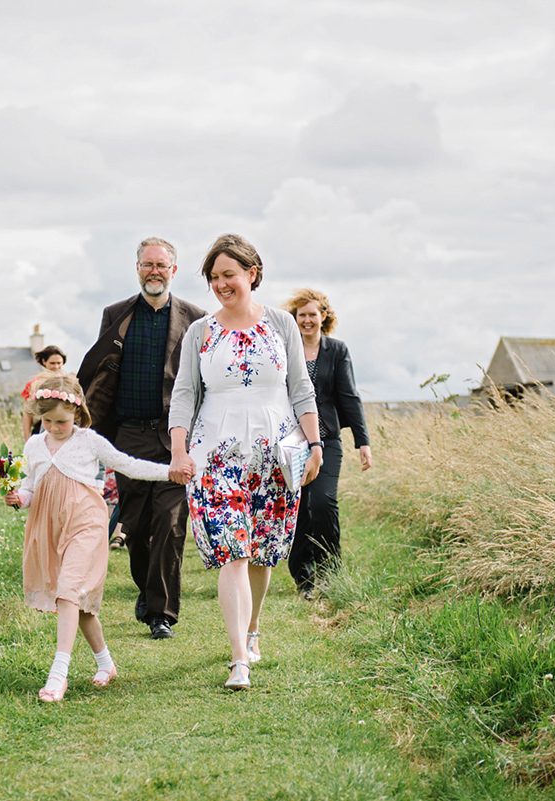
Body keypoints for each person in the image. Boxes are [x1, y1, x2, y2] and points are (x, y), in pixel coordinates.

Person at [168, 234, 321, 690]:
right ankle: (239, 659)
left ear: (252, 273)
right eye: (213, 278)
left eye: (228, 275)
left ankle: (253, 628)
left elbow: (301, 389)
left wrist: (315, 445)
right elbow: (183, 395)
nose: (220, 284)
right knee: (232, 551)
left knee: (262, 553)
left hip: (276, 452)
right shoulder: (200, 331)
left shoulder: (282, 324)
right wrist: (178, 451)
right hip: (215, 453)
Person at [4, 373, 176, 701]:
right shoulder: (34, 444)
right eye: (49, 421)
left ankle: (58, 674)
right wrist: (18, 498)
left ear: (78, 413)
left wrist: (169, 472)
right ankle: (105, 663)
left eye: (63, 422)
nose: (55, 427)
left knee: (67, 593)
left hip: (86, 523)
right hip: (50, 526)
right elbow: (30, 486)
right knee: (79, 607)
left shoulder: (89, 440)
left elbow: (128, 465)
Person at [76, 237, 205, 640]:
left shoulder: (197, 319)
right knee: (134, 524)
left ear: (173, 270)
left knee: (169, 522)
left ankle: (160, 613)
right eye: (148, 264)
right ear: (137, 268)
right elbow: (101, 373)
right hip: (128, 437)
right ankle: (148, 591)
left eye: (161, 265)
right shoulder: (116, 315)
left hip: (174, 440)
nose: (155, 271)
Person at [282, 289, 373, 599]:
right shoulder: (285, 348)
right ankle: (303, 576)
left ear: (324, 316)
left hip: (328, 440)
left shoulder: (337, 350)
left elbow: (349, 396)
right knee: (300, 508)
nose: (307, 320)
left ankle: (330, 570)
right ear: (295, 319)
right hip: (293, 441)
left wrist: (362, 441)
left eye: (312, 314)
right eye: (301, 315)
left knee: (323, 502)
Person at [21, 345, 67, 441]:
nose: (56, 366)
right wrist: (27, 439)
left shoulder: (69, 383)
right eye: (52, 363)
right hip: (41, 428)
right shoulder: (34, 384)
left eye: (59, 363)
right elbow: (27, 414)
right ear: (44, 362)